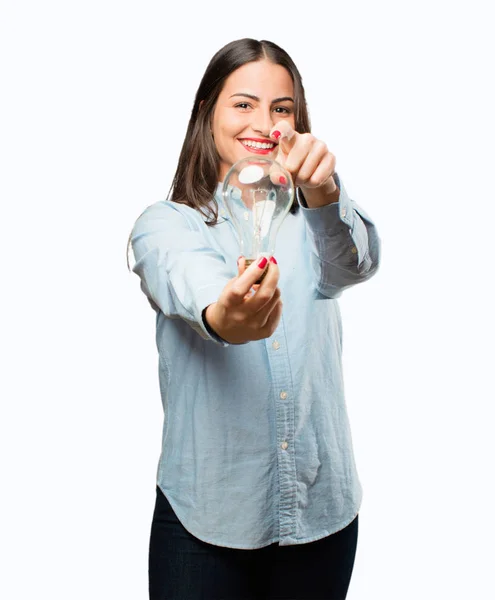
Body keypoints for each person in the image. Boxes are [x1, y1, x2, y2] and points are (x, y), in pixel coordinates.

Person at [128, 38, 380, 600]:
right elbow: (195, 288)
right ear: (207, 113)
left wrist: (324, 190)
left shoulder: (315, 216)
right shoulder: (167, 223)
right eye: (243, 104)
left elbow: (355, 264)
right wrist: (231, 317)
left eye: (281, 108)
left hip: (322, 512)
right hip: (205, 519)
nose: (264, 122)